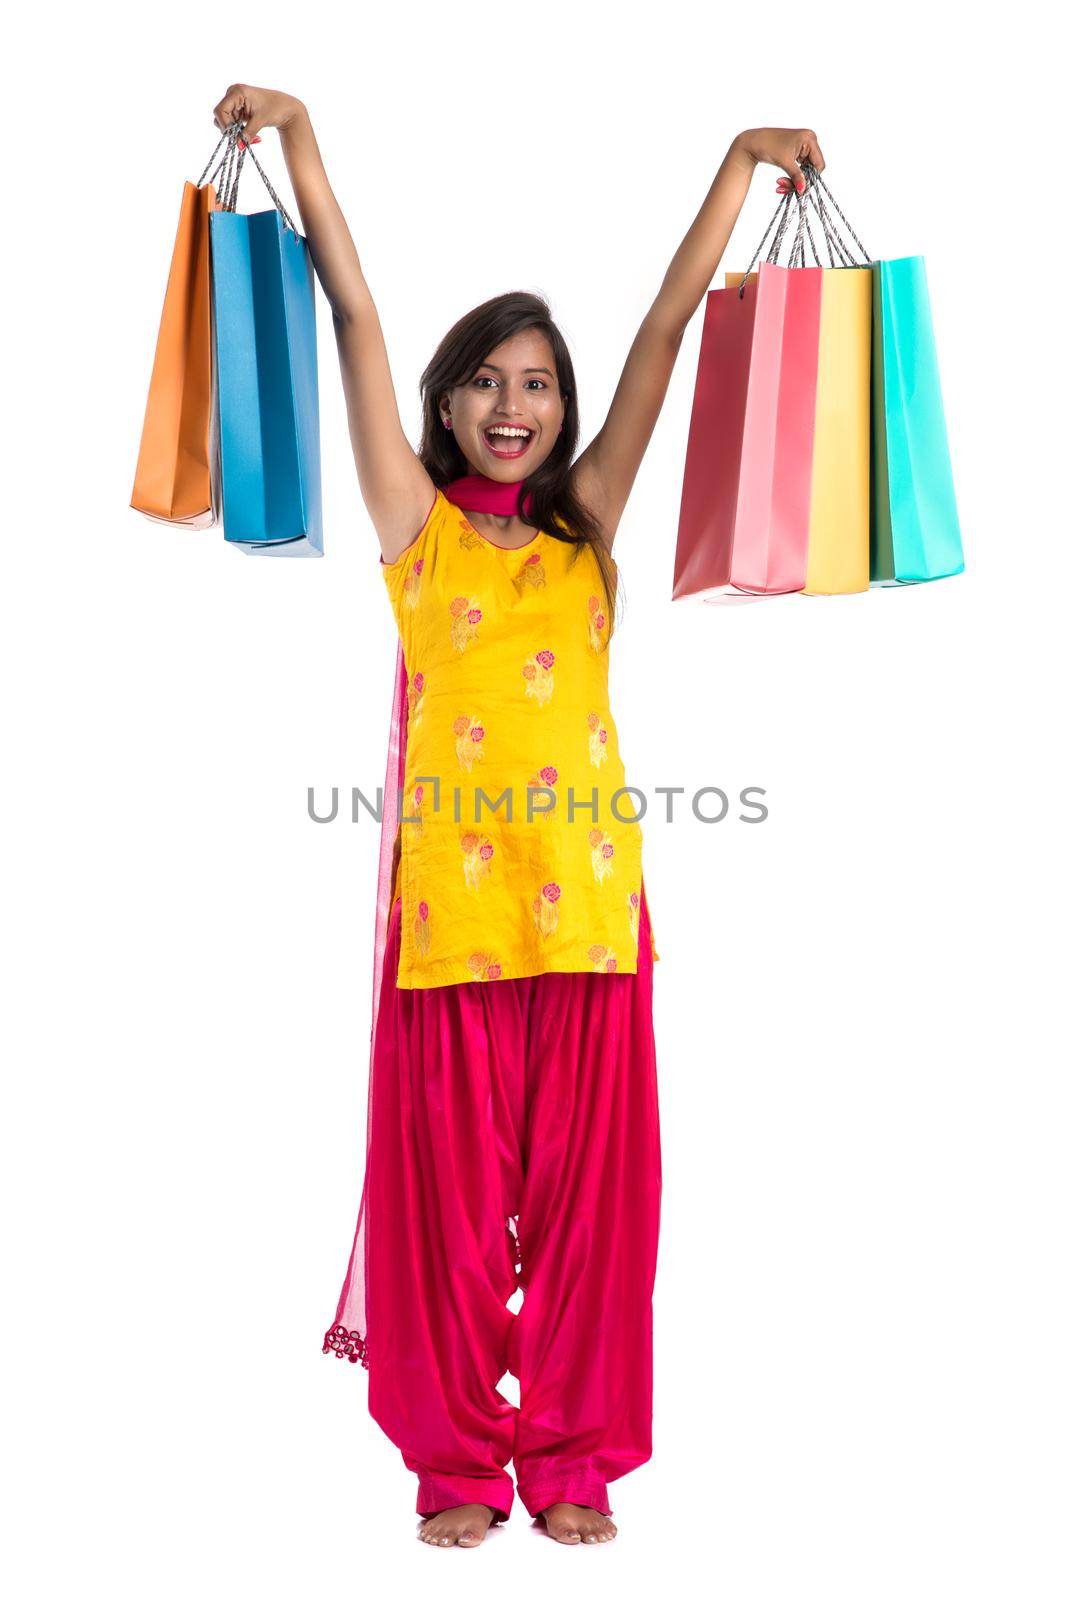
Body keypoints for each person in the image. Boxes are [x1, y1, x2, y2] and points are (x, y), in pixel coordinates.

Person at [209, 83, 824, 1548]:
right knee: (446, 1218)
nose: (512, 406)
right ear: (445, 403)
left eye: (537, 383)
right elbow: (355, 319)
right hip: (455, 932)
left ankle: (572, 1458)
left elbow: (667, 338)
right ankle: (457, 1463)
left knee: (596, 1218)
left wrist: (738, 166)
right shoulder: (415, 534)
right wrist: (299, 148)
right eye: (486, 380)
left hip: (592, 916)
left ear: (560, 410)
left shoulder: (587, 532)